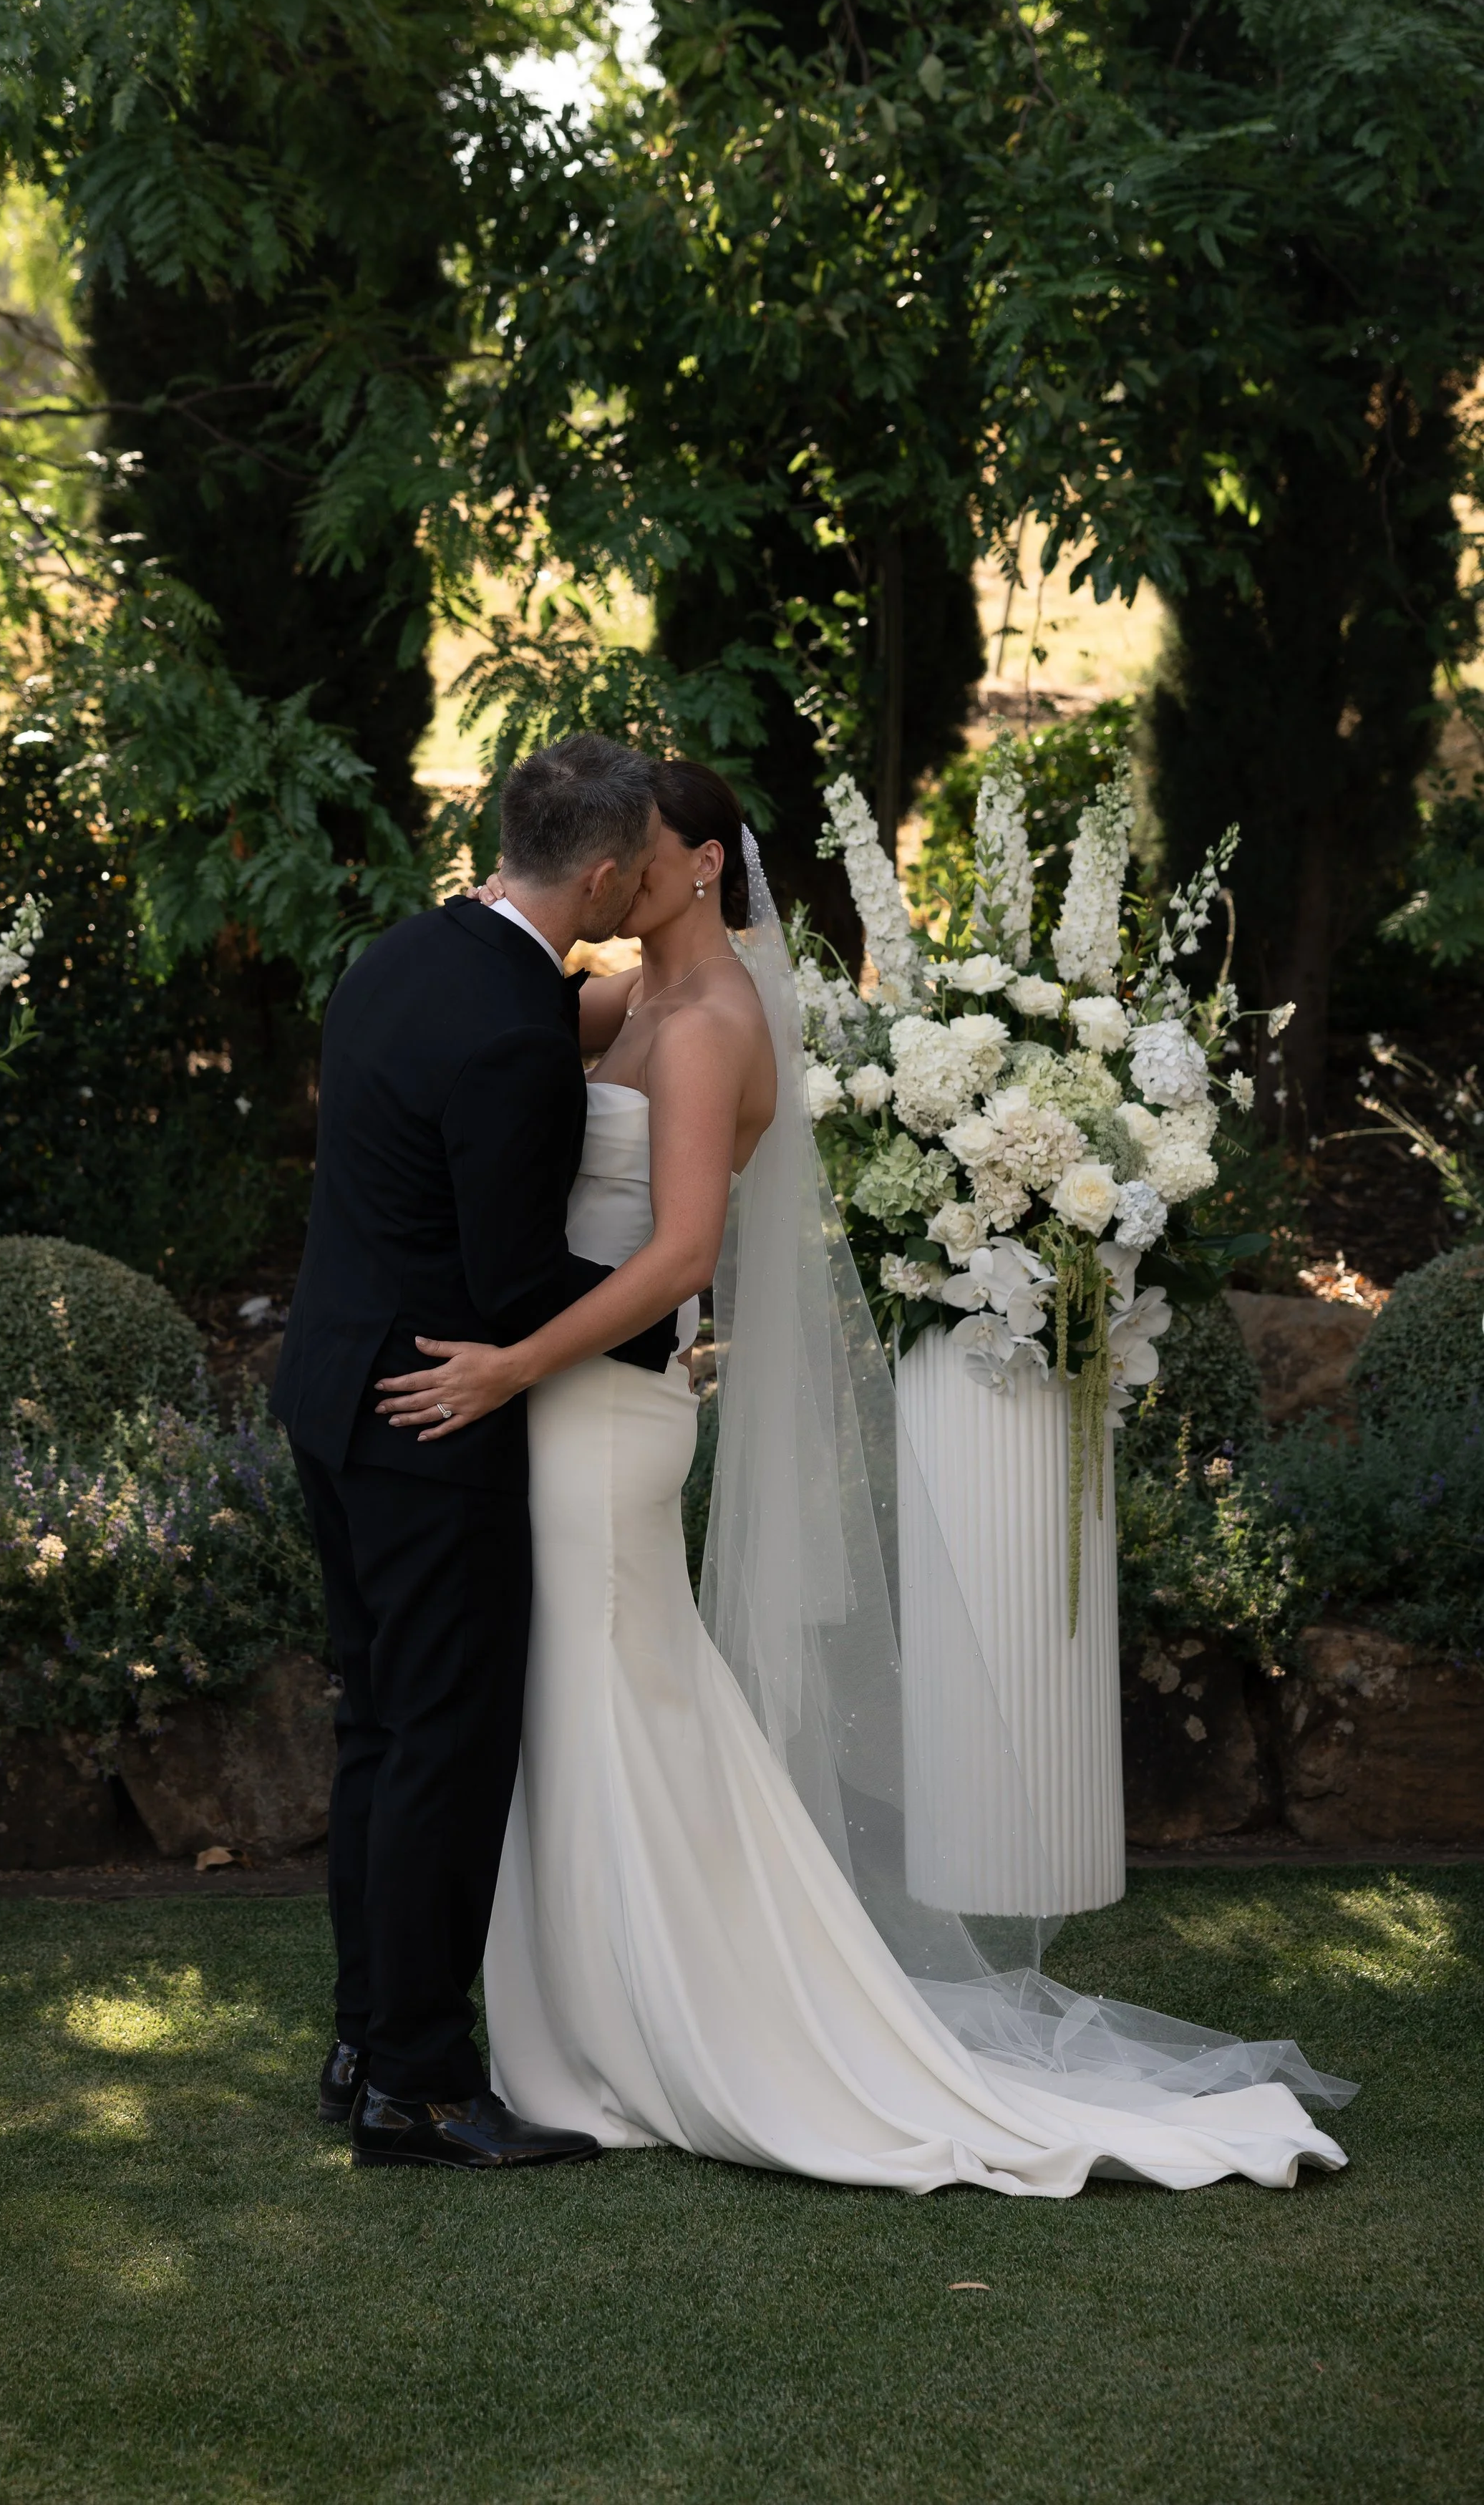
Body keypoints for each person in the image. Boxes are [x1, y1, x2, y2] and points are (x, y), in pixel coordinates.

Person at [372, 758, 1357, 2193]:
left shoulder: (705, 1025)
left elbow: (682, 1258)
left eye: (638, 854)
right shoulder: (631, 988)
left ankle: (642, 2028)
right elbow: (490, 1004)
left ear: (697, 864)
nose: (613, 874)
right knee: (602, 1710)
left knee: (602, 1700)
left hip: (600, 1405)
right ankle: (597, 2006)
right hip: (563, 1397)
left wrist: (508, 1367)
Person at [273, 734, 681, 2170]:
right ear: (607, 870)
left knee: (379, 1737)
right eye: (640, 865)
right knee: (443, 1749)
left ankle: (360, 2046)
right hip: (429, 1424)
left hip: (329, 1395)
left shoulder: (402, 959)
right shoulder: (514, 1037)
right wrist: (661, 1336)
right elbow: (514, 1284)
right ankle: (424, 2087)